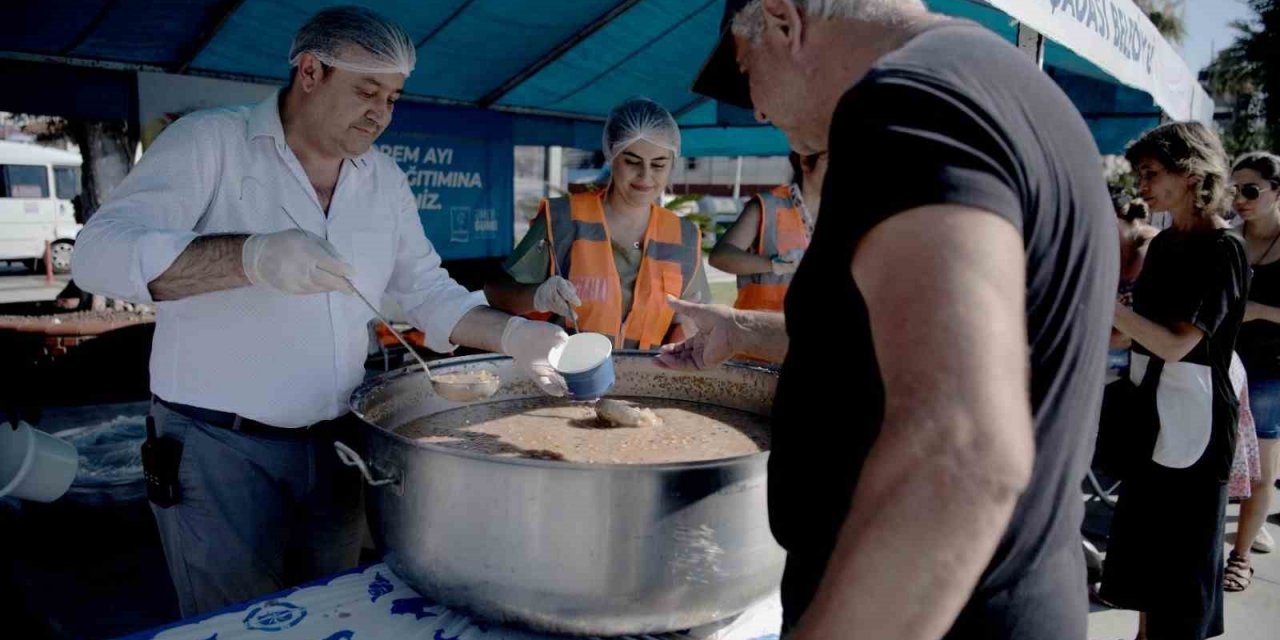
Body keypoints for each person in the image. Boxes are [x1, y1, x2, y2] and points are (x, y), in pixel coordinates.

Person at [71, 6, 568, 616]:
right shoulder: (212, 143)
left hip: (335, 445)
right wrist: (249, 257)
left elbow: (424, 291)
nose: (381, 113)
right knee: (235, 622)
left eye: (393, 97)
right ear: (310, 71)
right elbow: (96, 256)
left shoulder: (381, 179)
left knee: (330, 606)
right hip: (218, 446)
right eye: (366, 90)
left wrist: (517, 335)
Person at [670, 0, 1117, 638]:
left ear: (781, 21)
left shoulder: (907, 104)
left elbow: (960, 451)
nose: (760, 111)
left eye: (748, 76)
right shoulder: (997, 80)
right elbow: (925, 346)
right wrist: (743, 330)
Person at [1101, 122, 1248, 640]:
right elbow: (1136, 339)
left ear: (1190, 174)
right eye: (1140, 174)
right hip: (1149, 410)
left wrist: (1107, 308)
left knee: (1183, 569)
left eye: (1151, 173)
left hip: (1196, 420)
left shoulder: (1224, 251)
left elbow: (1174, 343)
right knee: (1145, 561)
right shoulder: (1163, 246)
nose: (1141, 186)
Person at [485, 98, 710, 349]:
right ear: (611, 155)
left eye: (658, 164)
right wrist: (538, 296)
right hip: (569, 378)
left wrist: (685, 336)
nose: (646, 176)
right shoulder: (562, 220)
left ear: (672, 163)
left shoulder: (685, 236)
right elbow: (497, 292)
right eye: (632, 161)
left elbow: (688, 321)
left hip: (649, 381)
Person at [1224, 150, 1280, 589]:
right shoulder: (1229, 239)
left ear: (1276, 191)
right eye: (1234, 189)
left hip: (1268, 369)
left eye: (1250, 189)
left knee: (1261, 468)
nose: (1239, 198)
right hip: (1221, 362)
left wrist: (1258, 309)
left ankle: (1239, 558)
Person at [710, 151, 827, 311]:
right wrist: (774, 264)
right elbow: (720, 257)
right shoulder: (767, 206)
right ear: (805, 161)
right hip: (760, 328)